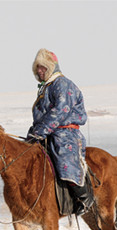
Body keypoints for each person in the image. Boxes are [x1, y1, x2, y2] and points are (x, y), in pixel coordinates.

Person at [27, 48, 93, 215]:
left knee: (66, 162)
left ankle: (84, 196)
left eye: (43, 67)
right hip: (46, 133)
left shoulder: (63, 84)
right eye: (38, 68)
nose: (39, 71)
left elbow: (60, 111)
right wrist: (34, 133)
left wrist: (41, 131)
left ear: (51, 67)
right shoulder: (46, 87)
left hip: (65, 135)